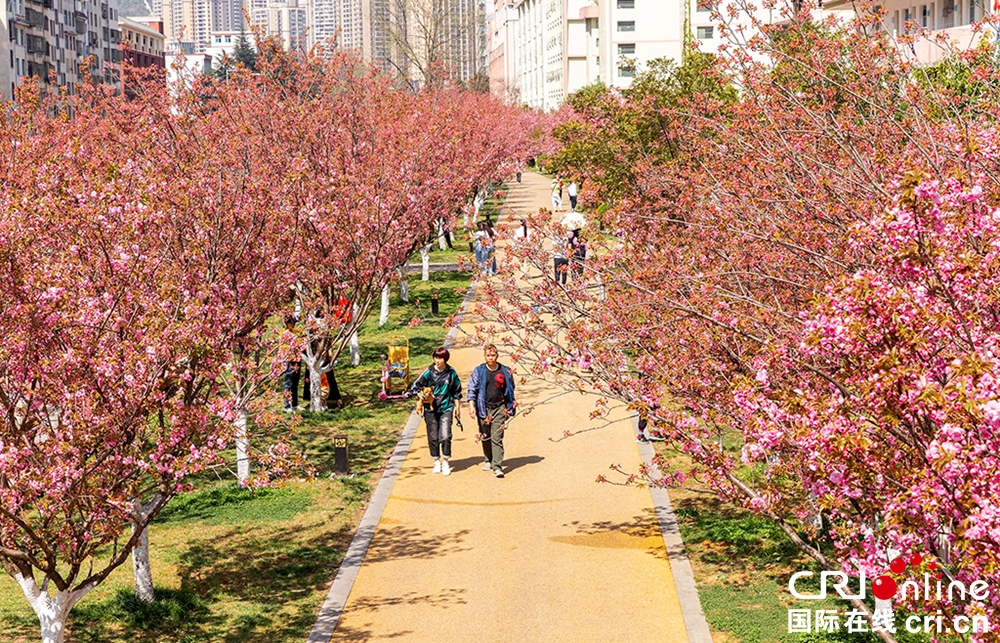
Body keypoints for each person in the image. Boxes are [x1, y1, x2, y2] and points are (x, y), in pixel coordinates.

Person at [408, 347, 464, 475]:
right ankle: (436, 461)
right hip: (430, 409)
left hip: (446, 407)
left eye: (440, 358)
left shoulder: (451, 373)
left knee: (445, 435)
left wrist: (457, 408)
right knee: (433, 436)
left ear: (445, 359)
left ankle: (445, 461)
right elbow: (415, 386)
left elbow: (457, 391)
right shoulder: (429, 372)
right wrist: (421, 396)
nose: (437, 360)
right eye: (436, 357)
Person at [467, 344, 516, 478]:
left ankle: (497, 466)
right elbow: (472, 389)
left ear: (497, 355)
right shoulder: (479, 371)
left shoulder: (505, 371)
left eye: (493, 355)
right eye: (488, 355)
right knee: (485, 434)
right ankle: (488, 459)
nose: (490, 358)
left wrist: (509, 407)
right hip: (483, 408)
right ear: (484, 356)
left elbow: (511, 389)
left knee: (497, 437)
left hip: (499, 407)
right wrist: (472, 405)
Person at [282, 316, 300, 412]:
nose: (293, 325)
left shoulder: (296, 332)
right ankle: (286, 405)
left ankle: (295, 404)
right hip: (289, 360)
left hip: (297, 359)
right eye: (292, 323)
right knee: (288, 383)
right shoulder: (285, 334)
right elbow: (283, 348)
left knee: (295, 383)